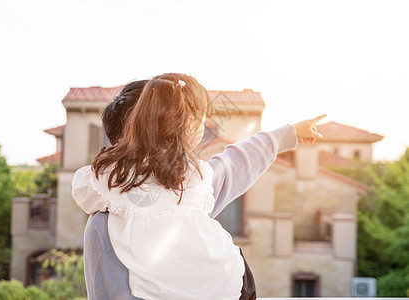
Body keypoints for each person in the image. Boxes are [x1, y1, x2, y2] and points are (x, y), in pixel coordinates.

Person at [73, 73, 325, 300]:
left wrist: (286, 134)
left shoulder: (176, 181)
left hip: (230, 281)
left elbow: (231, 163)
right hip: (232, 283)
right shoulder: (181, 182)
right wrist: (286, 134)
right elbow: (230, 165)